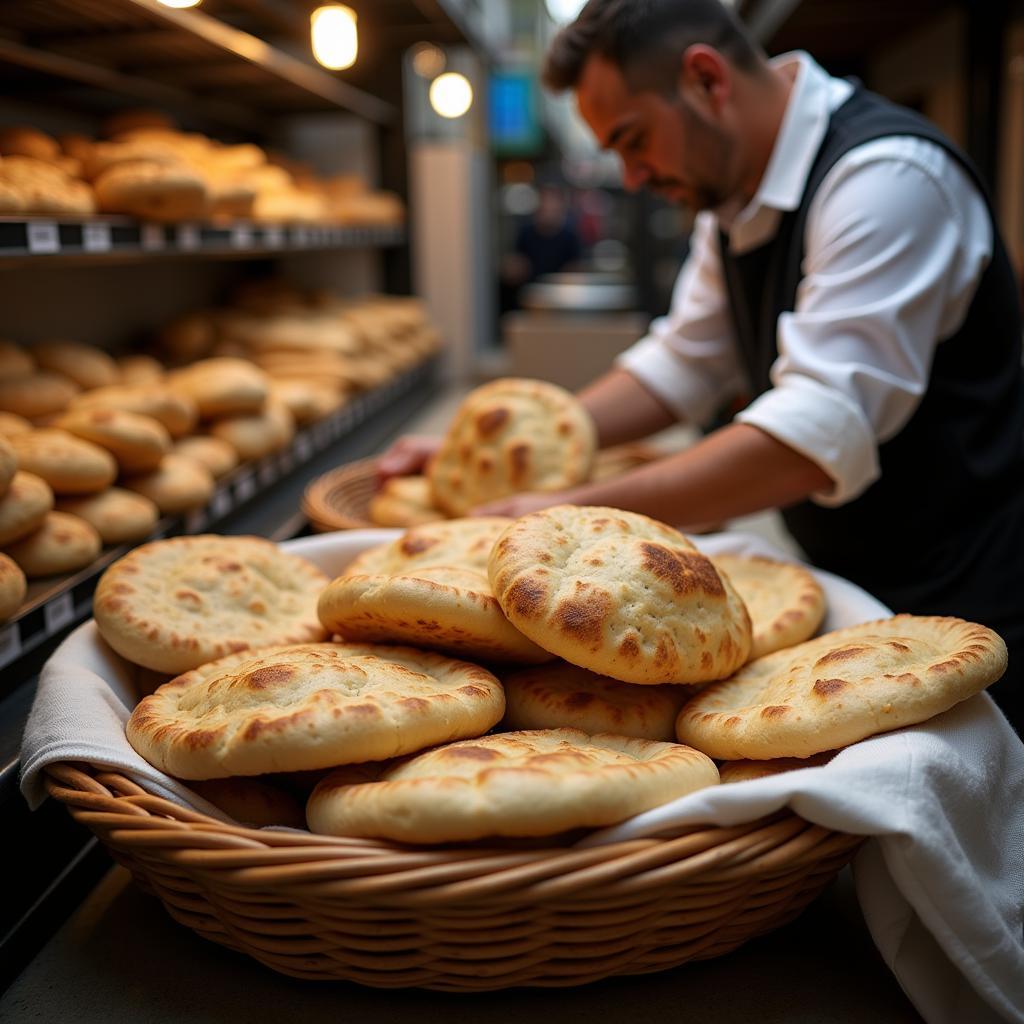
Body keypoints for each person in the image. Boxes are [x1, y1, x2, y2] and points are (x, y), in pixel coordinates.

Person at [380, 0, 1024, 728]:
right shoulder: (736, 205)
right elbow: (684, 361)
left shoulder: (888, 179)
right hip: (850, 577)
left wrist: (579, 526)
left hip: (968, 583)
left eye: (633, 139)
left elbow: (812, 436)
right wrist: (500, 450)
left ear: (706, 79)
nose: (629, 176)